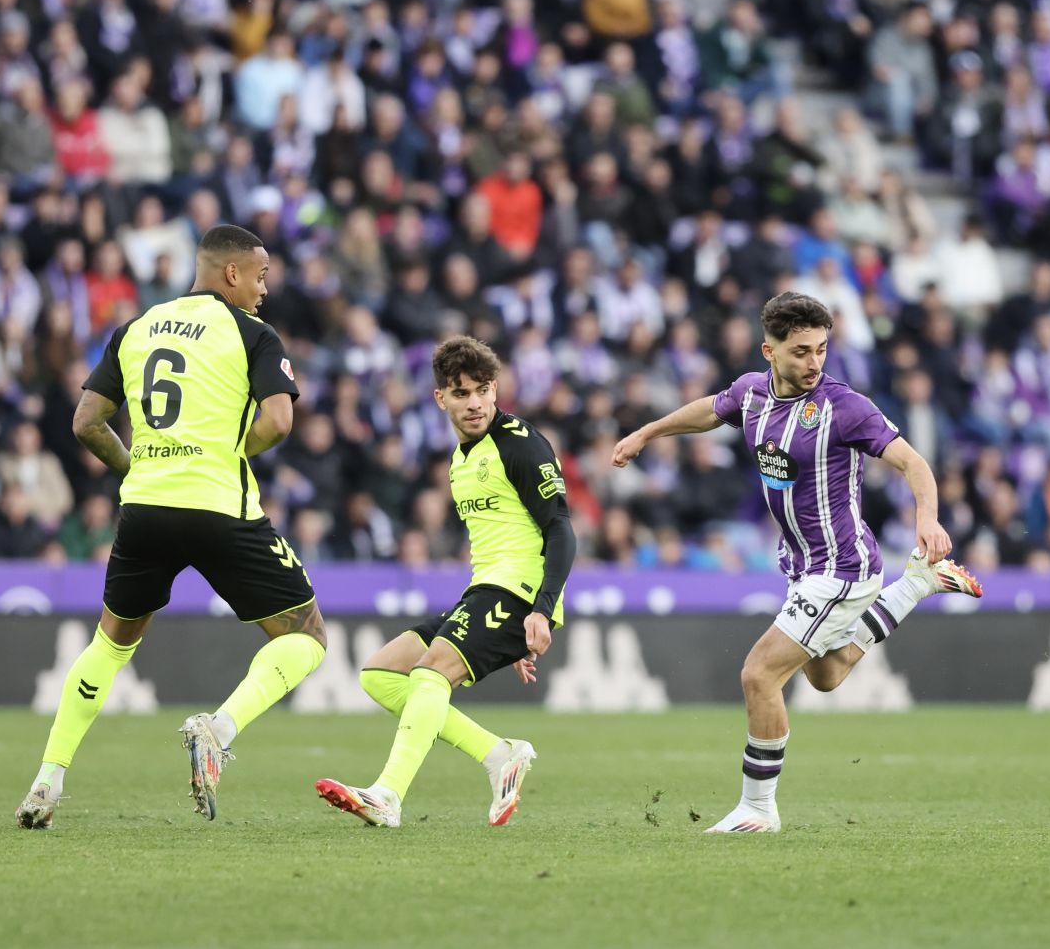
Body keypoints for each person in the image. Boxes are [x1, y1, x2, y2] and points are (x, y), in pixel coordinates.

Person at [611, 291, 982, 833]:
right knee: (826, 675)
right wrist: (647, 432)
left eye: (821, 350)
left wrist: (927, 518)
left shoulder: (843, 406)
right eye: (801, 351)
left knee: (759, 674)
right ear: (769, 351)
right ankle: (917, 585)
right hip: (802, 565)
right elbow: (711, 410)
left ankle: (758, 809)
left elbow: (912, 460)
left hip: (842, 566)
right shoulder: (752, 393)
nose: (814, 363)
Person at [16, 225, 320, 828]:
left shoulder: (136, 327)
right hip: (217, 508)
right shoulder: (251, 333)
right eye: (259, 277)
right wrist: (230, 451)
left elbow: (86, 422)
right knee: (306, 635)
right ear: (231, 273)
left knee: (110, 644)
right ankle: (219, 729)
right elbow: (280, 421)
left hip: (145, 508)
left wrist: (142, 468)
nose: (263, 291)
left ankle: (47, 781)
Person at [315, 336, 572, 828]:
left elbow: (561, 528)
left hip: (518, 593)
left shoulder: (520, 445)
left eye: (481, 390)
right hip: (486, 592)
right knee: (381, 675)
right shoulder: (461, 458)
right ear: (441, 398)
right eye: (461, 393)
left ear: (495, 390)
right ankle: (499, 755)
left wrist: (540, 608)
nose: (473, 403)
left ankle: (387, 795)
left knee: (432, 673)